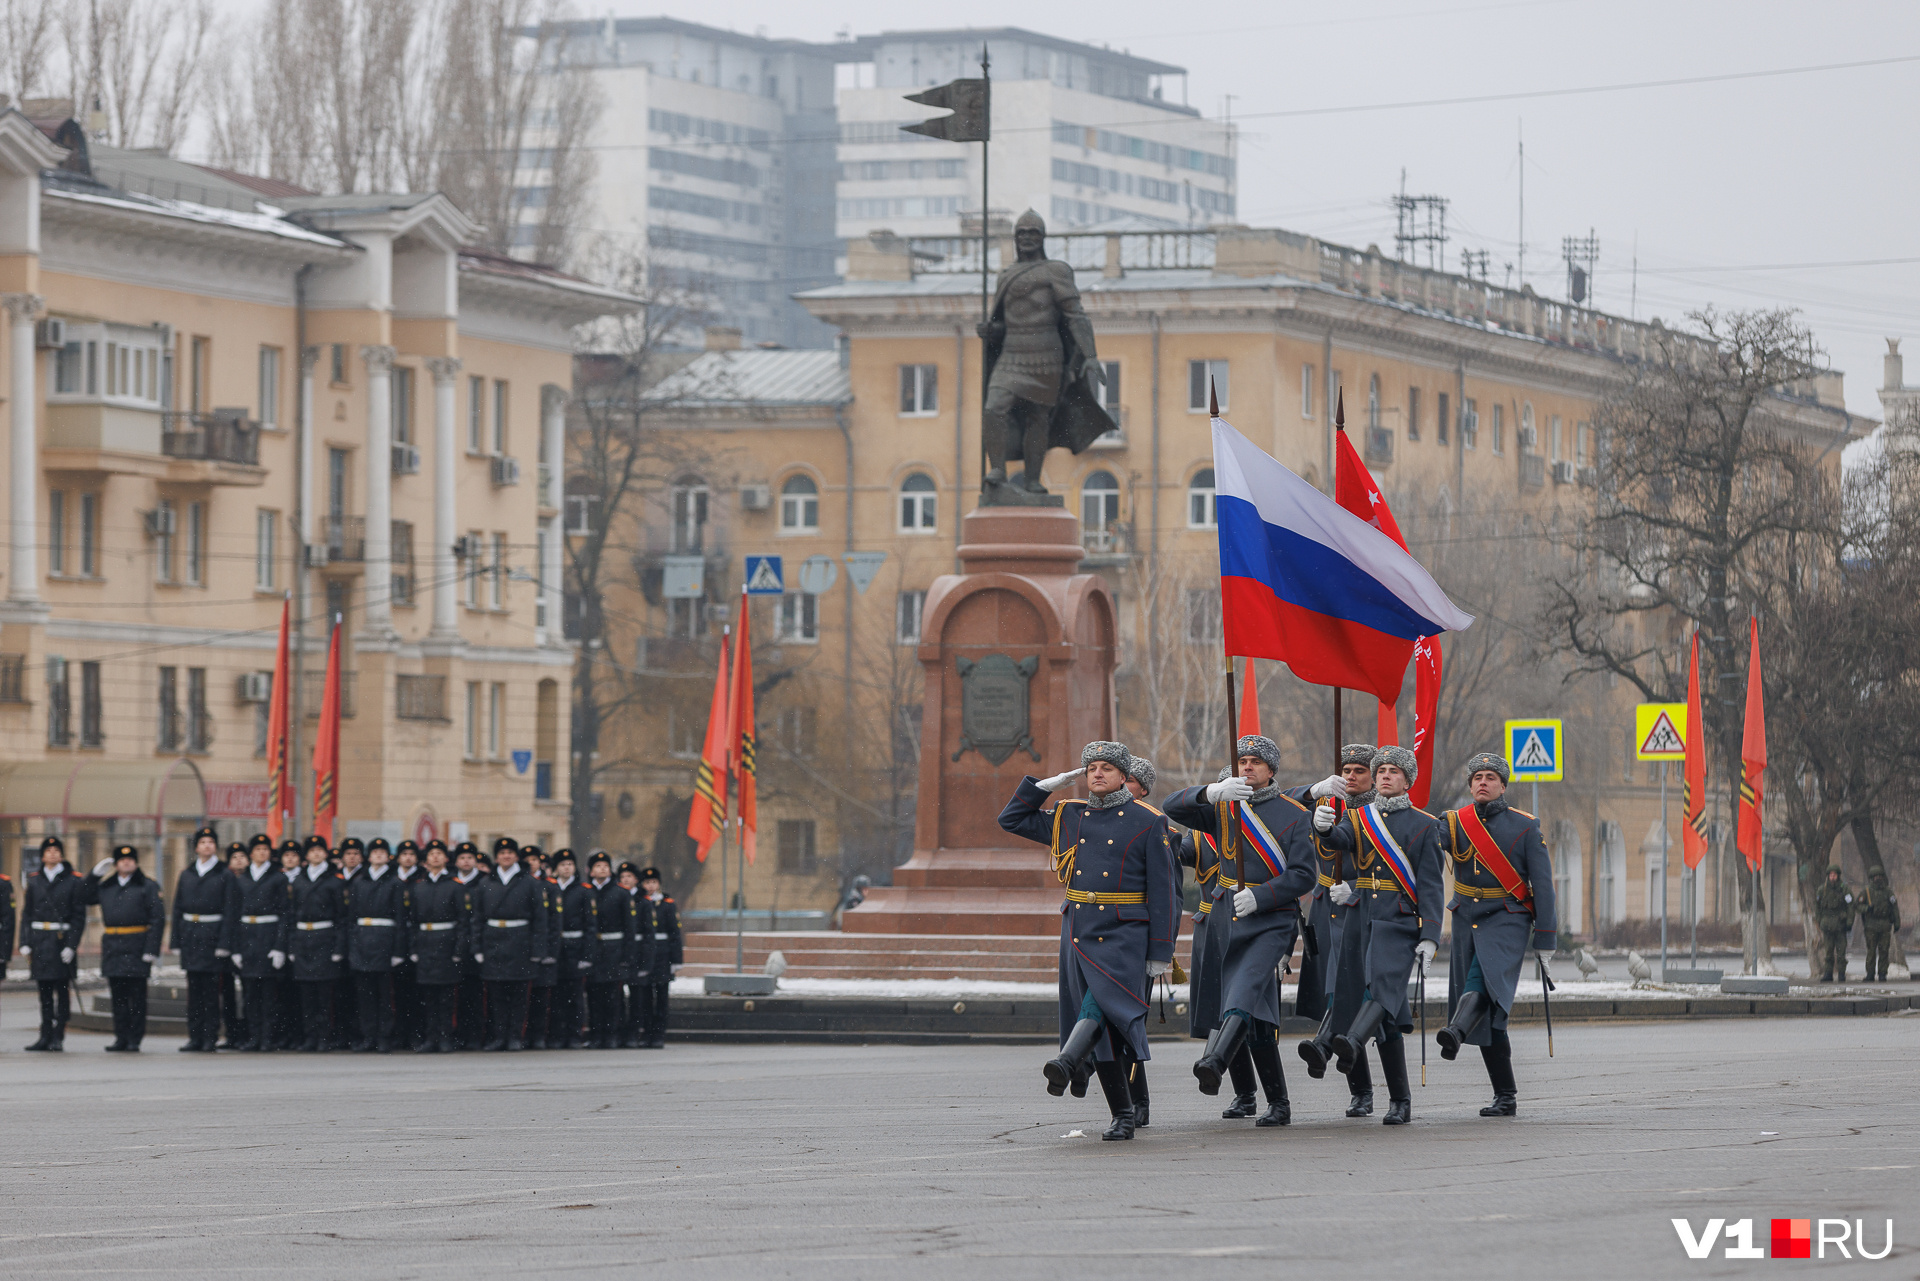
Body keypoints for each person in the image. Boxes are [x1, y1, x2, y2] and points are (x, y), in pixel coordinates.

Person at [999, 740, 1178, 1142]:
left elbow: (1164, 892)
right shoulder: (1070, 815)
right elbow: (1011, 820)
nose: (1098, 773)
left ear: (1121, 775)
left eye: (1108, 768)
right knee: (1105, 1026)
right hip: (1079, 931)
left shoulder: (1148, 821)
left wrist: (1160, 951)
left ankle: (1069, 1064)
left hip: (1124, 933)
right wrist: (1042, 787)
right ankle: (1122, 1113)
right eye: (1091, 767)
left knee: (1098, 1011)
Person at [1164, 735, 1318, 1130]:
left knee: (1245, 990)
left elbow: (1304, 874)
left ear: (1271, 771)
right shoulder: (1223, 807)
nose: (1247, 767)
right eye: (1242, 761)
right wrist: (1210, 792)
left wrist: (1263, 896)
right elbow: (1172, 807)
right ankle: (1277, 1102)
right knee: (1259, 1015)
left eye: (1255, 762)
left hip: (1270, 921)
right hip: (1225, 919)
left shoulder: (1294, 814)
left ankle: (1216, 1060)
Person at [1313, 746, 1445, 1126]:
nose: (1385, 776)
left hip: (1398, 921)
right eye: (1381, 770)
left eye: (1393, 771)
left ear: (1408, 780)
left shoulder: (1424, 824)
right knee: (1386, 1015)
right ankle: (1400, 1100)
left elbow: (1432, 886)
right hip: (1361, 917)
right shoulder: (1361, 817)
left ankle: (1351, 1042)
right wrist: (1321, 826)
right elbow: (1337, 842)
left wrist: (1431, 935)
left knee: (1381, 990)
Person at [1432, 752, 1557, 1118]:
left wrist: (1545, 940)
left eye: (1490, 777)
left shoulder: (1525, 826)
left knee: (1484, 981)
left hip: (1507, 917)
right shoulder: (1454, 823)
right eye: (1477, 778)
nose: (1482, 782)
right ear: (1470, 786)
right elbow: (1413, 838)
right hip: (1466, 917)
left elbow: (1544, 887)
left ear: (1503, 785)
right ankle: (1506, 1094)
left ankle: (1455, 1031)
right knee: (1492, 1012)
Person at [1294, 744, 1380, 1118]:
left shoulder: (1383, 811)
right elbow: (1281, 802)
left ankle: (1327, 1048)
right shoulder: (1327, 807)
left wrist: (1358, 889)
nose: (1350, 777)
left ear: (1374, 775)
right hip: (1327, 907)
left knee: (1355, 993)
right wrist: (1314, 790)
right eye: (1345, 769)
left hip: (1368, 909)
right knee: (1335, 993)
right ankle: (1356, 1086)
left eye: (1359, 770)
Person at [83, 845, 166, 1052]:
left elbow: (157, 918)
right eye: (121, 859)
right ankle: (121, 1037)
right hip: (113, 945)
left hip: (137, 945)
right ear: (116, 863)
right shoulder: (107, 885)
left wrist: (151, 949)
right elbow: (84, 897)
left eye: (130, 859)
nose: (126, 862)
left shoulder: (147, 886)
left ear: (136, 862)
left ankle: (134, 1039)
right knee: (118, 996)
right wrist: (93, 876)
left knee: (136, 996)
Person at [471, 838, 549, 1051]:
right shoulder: (486, 883)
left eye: (510, 852)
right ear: (496, 857)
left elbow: (540, 919)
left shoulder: (530, 882)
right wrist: (477, 947)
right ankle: (498, 1036)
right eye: (502, 852)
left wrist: (537, 949)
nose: (506, 856)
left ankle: (515, 1036)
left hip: (520, 941)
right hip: (493, 941)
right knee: (496, 995)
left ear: (516, 856)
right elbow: (477, 917)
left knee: (519, 995)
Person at [169, 825, 237, 1052]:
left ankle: (210, 1036)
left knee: (210, 992)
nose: (207, 846)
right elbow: (178, 908)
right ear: (196, 847)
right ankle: (194, 1036)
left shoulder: (224, 874)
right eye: (203, 842)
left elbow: (230, 911)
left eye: (211, 842)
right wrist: (176, 940)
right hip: (191, 935)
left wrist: (224, 943)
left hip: (212, 936)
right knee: (193, 991)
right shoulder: (187, 873)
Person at [20, 836, 86, 1052]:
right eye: (48, 850)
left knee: (62, 990)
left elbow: (78, 917)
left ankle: (58, 1035)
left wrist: (71, 945)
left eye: (57, 850)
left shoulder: (74, 880)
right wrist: (25, 942)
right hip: (40, 942)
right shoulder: (34, 879)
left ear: (62, 854)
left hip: (61, 941)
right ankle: (45, 1035)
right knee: (44, 992)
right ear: (42, 855)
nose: (53, 854)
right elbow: (27, 914)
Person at [406, 841, 470, 1053]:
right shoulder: (419, 886)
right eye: (431, 854)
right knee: (428, 996)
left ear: (445, 859)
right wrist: (414, 948)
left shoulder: (455, 885)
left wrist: (459, 949)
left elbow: (463, 921)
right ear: (426, 860)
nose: (435, 857)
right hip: (426, 943)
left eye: (439, 854)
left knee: (446, 996)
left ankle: (446, 1037)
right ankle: (431, 1037)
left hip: (446, 943)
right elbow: (413, 921)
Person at [344, 837, 405, 1052]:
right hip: (362, 940)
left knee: (384, 994)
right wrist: (352, 946)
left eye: (382, 852)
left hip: (384, 941)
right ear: (368, 857)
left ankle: (384, 1037)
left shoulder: (395, 882)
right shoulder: (359, 882)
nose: (378, 855)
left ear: (388, 856)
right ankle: (368, 1035)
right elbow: (351, 918)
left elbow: (400, 918)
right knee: (365, 994)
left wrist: (397, 950)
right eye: (374, 852)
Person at [289, 836, 348, 1051]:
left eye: (319, 850)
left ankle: (324, 1036)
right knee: (306, 994)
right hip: (304, 938)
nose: (316, 854)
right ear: (306, 855)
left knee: (324, 993)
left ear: (326, 853)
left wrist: (338, 947)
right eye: (311, 850)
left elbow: (342, 917)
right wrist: (292, 946)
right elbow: (292, 915)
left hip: (325, 938)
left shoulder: (334, 880)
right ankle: (310, 1036)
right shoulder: (299, 880)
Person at [233, 834, 290, 1053]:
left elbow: (284, 914)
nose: (262, 853)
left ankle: (268, 1038)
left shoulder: (278, 878)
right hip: (247, 938)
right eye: (258, 849)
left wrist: (279, 946)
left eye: (266, 849)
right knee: (250, 994)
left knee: (268, 995)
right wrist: (236, 948)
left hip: (268, 936)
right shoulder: (241, 879)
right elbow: (235, 915)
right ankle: (252, 1036)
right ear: (251, 853)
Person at [549, 850, 596, 1048]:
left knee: (575, 995)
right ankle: (558, 1034)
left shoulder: (584, 891)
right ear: (556, 868)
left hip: (575, 947)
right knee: (557, 995)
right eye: (562, 864)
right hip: (555, 947)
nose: (566, 868)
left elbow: (590, 925)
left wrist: (587, 954)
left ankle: (574, 1034)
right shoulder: (550, 889)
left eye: (569, 864)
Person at [585, 853, 631, 1049]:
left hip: (614, 948)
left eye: (605, 866)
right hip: (593, 948)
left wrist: (626, 955)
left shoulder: (620, 893)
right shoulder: (586, 892)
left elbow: (630, 927)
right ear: (590, 871)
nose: (602, 869)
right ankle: (596, 1034)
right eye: (598, 866)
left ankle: (612, 1034)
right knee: (594, 994)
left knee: (613, 995)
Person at [634, 867, 682, 1049]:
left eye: (653, 882)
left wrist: (676, 960)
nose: (650, 886)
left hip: (664, 955)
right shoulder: (639, 903)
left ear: (659, 884)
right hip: (646, 954)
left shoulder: (667, 904)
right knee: (645, 996)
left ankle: (658, 1034)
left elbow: (675, 934)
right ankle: (646, 1032)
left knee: (661, 996)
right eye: (647, 882)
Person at [521, 847, 559, 1049]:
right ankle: (524, 1034)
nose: (531, 862)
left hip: (542, 948)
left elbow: (553, 922)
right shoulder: (518, 885)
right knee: (522, 997)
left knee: (541, 996)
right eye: (527, 859)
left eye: (534, 859)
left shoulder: (549, 887)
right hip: (522, 948)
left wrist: (548, 951)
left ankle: (539, 1035)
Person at [217, 842, 252, 1049]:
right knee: (227, 993)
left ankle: (248, 1033)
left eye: (242, 856)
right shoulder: (224, 879)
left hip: (249, 941)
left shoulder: (251, 880)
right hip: (228, 942)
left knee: (249, 992)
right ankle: (231, 1033)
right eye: (234, 857)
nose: (239, 860)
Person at [452, 842, 487, 1049]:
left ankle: (474, 1036)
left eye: (470, 858)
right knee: (456, 994)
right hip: (453, 942)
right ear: (456, 861)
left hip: (475, 942)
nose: (466, 861)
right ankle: (458, 1034)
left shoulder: (483, 882)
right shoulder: (451, 882)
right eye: (462, 858)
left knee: (475, 994)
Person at [272, 841, 305, 1048]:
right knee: (280, 993)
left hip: (301, 942)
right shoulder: (278, 879)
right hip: (278, 939)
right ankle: (282, 1034)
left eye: (294, 855)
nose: (290, 859)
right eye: (286, 855)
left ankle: (298, 1035)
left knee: (299, 994)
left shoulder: (303, 879)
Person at [391, 840, 423, 1048]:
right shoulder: (392, 880)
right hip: (394, 941)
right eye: (404, 854)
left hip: (416, 941)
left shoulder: (421, 880)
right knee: (397, 994)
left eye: (412, 854)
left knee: (416, 994)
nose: (408, 858)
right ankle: (399, 1035)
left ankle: (415, 1035)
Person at [616, 863, 647, 1047]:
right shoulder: (618, 897)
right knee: (617, 995)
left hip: (637, 951)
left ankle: (634, 1033)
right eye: (623, 876)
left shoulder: (643, 901)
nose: (626, 879)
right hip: (619, 951)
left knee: (637, 996)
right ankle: (619, 1031)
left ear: (636, 879)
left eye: (629, 876)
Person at [1859, 869, 1901, 983]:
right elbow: (1858, 906)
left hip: (1884, 925)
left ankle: (1882, 973)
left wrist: (1897, 922)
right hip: (1871, 925)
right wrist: (1867, 908)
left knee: (1884, 951)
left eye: (1879, 876)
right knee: (1871, 951)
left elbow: (1894, 908)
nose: (1878, 878)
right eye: (1875, 876)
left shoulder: (1888, 892)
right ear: (1872, 878)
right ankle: (1870, 973)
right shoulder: (1866, 892)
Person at [1814, 866, 1855, 983]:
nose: (1833, 877)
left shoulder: (1844, 889)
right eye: (1831, 875)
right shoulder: (1822, 890)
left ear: (1838, 876)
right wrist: (1820, 920)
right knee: (1828, 952)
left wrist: (1849, 922)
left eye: (1834, 875)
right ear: (1828, 876)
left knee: (1841, 952)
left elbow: (1850, 906)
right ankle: (1828, 973)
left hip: (1840, 925)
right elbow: (1817, 907)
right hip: (1827, 925)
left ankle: (1841, 974)